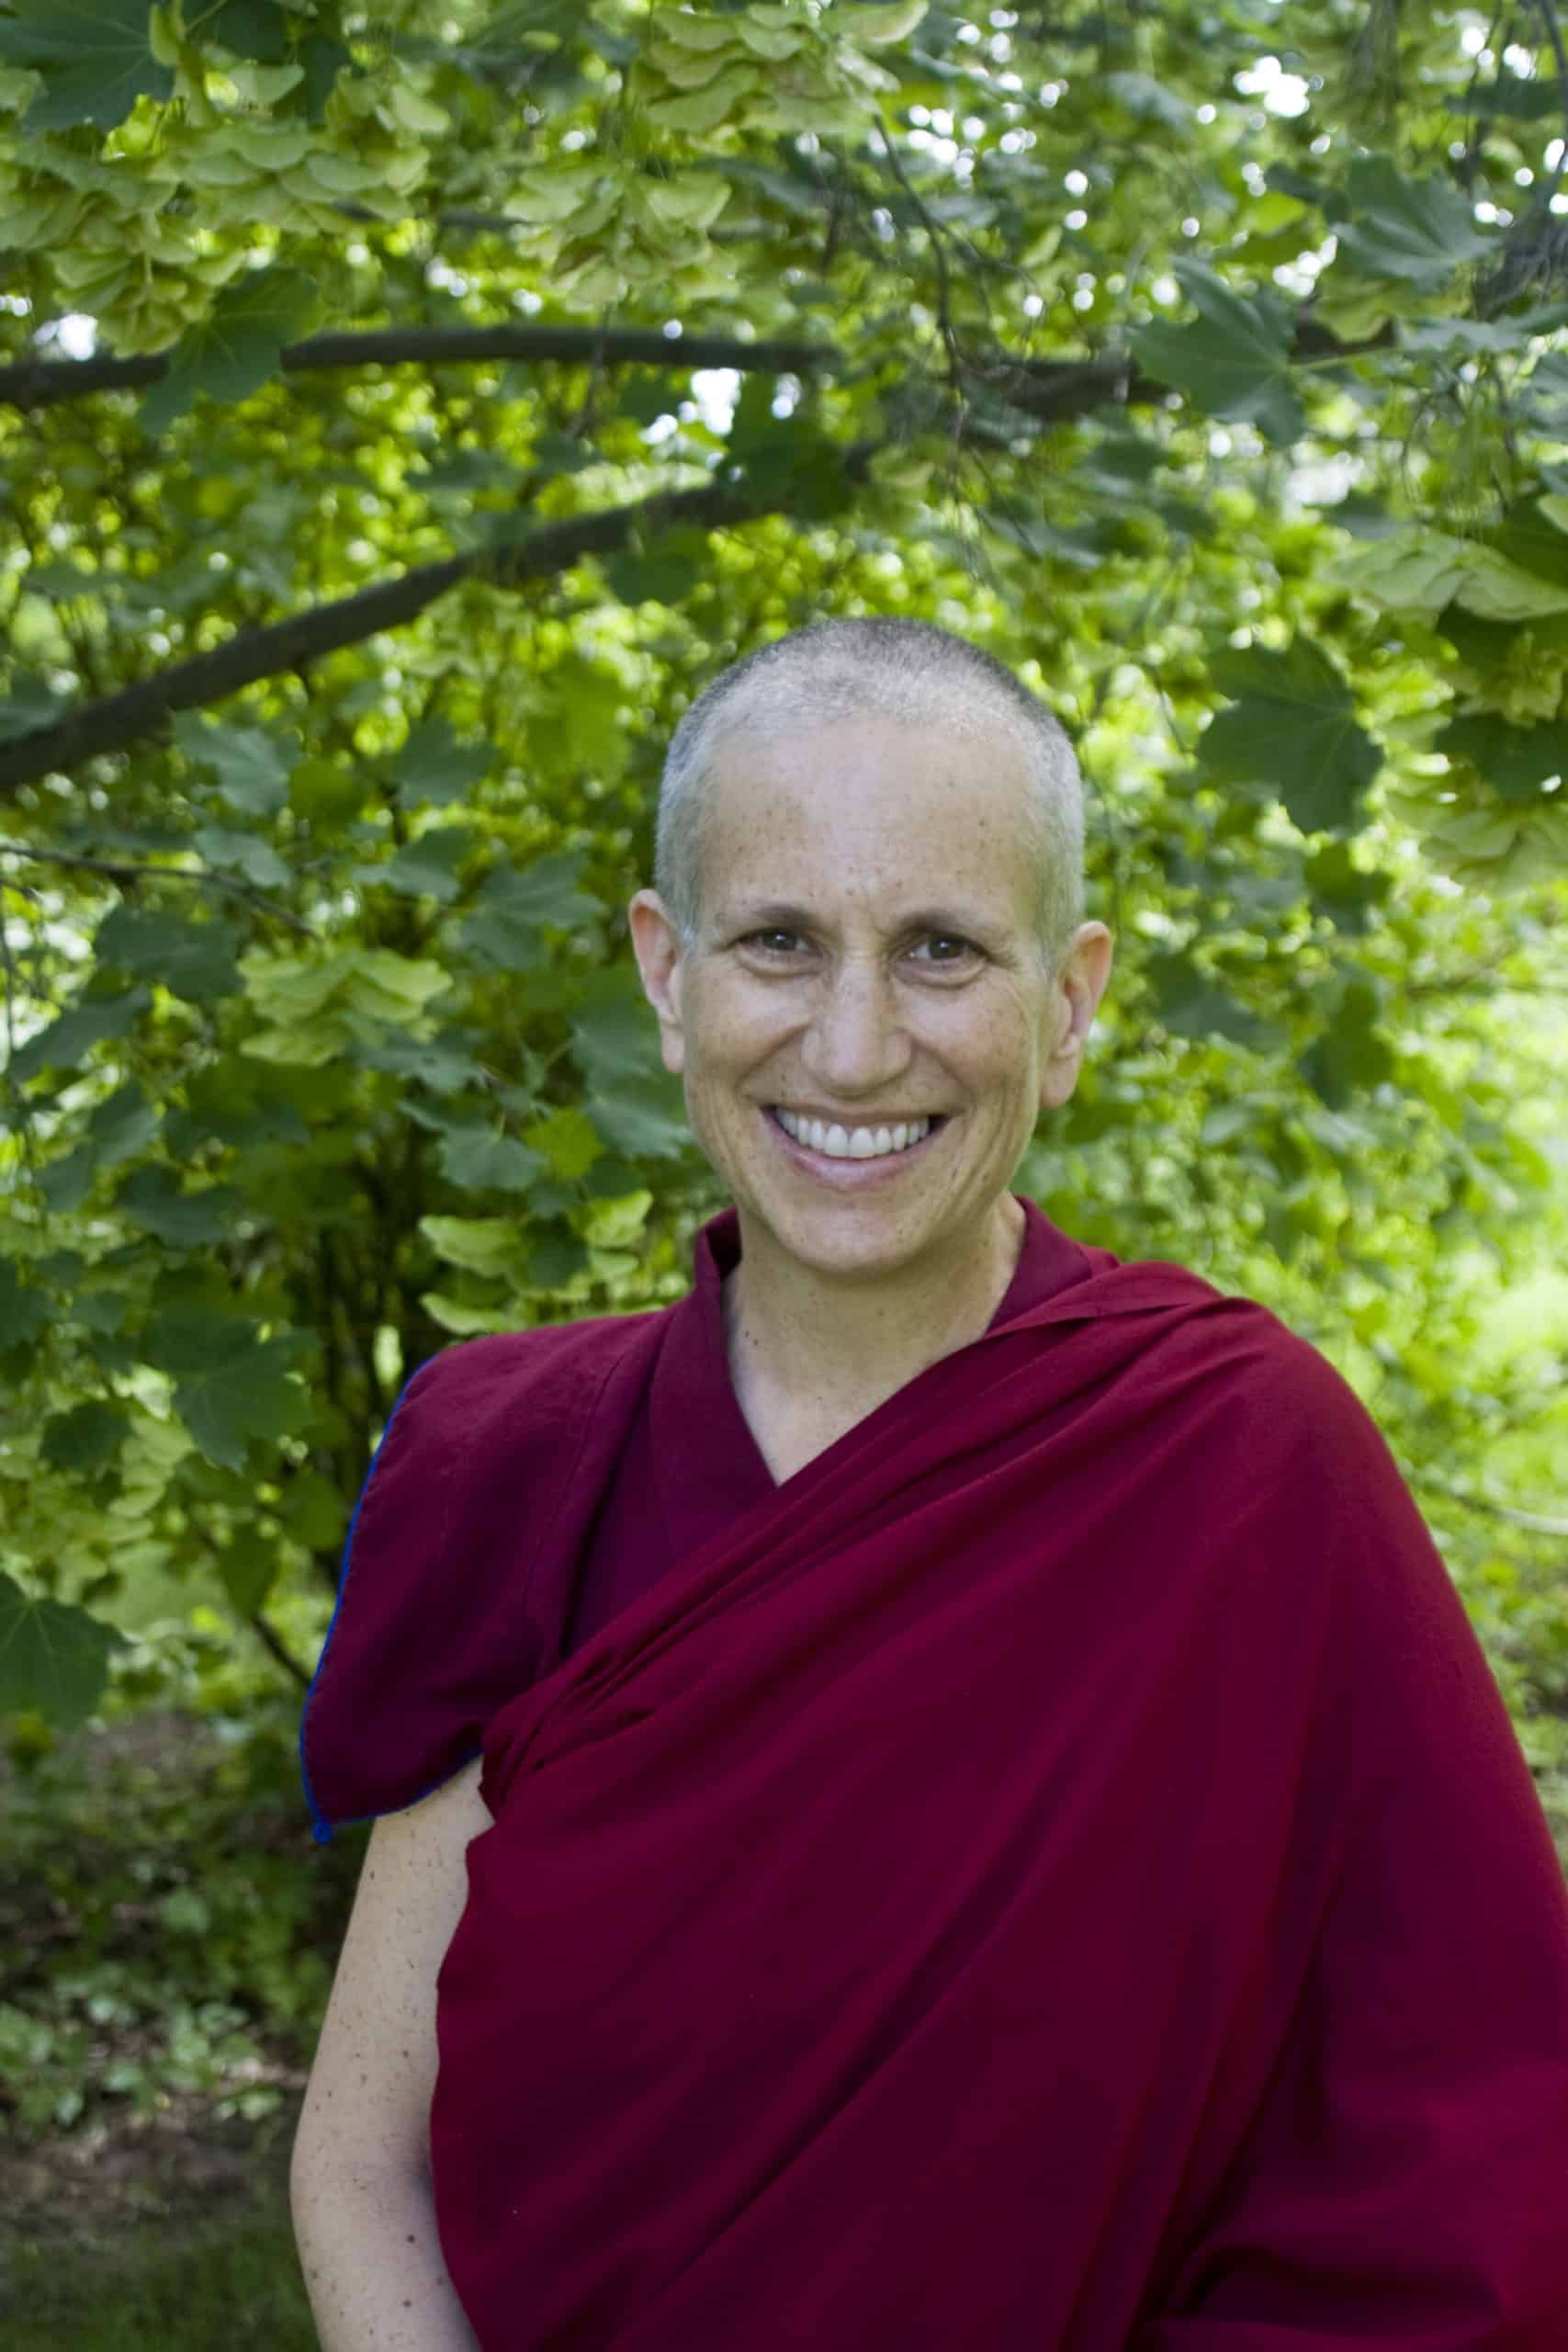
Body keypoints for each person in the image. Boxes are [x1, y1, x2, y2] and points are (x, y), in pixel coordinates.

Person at [290, 616, 1568, 2351]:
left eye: (945, 950)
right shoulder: (516, 1462)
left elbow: (1472, 2145)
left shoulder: (1242, 1466)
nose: (856, 1043)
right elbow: (368, 2167)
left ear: (1071, 1004)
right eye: (779, 942)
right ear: (668, 977)